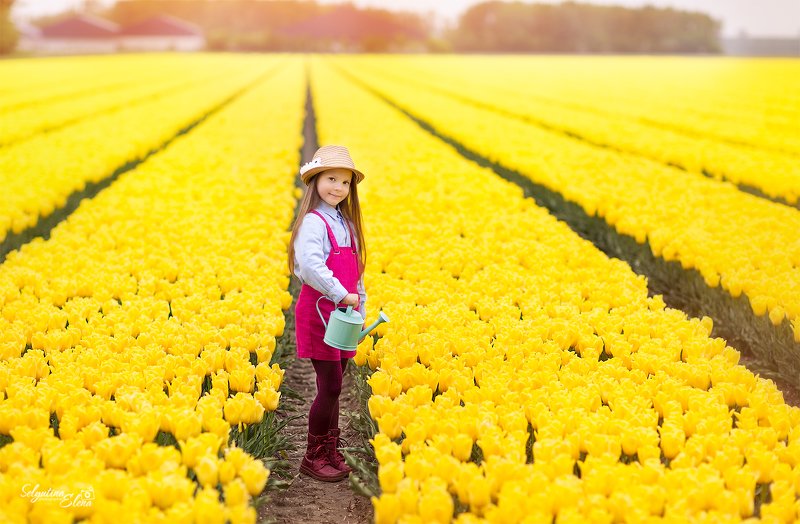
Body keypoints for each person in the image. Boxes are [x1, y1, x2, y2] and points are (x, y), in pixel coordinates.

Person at [288, 145, 367, 482]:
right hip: (321, 311)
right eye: (331, 179)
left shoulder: (345, 222)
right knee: (331, 384)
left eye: (345, 182)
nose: (338, 187)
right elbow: (309, 266)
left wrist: (360, 301)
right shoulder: (313, 222)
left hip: (345, 313)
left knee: (336, 381)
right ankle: (314, 455)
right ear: (315, 180)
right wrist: (340, 293)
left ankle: (330, 450)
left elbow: (356, 270)